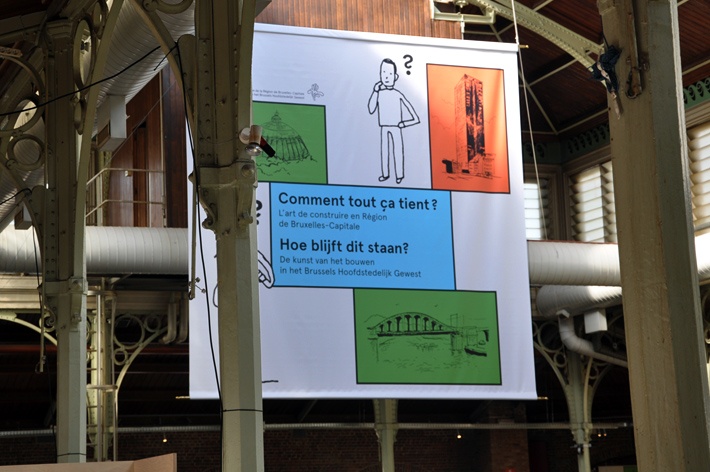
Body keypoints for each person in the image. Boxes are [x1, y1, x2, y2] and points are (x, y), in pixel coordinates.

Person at [368, 58, 420, 184]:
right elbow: (371, 109)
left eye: (390, 73)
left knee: (397, 151)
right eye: (384, 73)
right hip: (384, 127)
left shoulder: (398, 94)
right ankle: (385, 174)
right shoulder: (379, 93)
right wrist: (375, 91)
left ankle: (399, 175)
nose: (386, 76)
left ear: (395, 77)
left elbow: (416, 118)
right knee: (384, 151)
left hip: (396, 127)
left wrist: (404, 123)